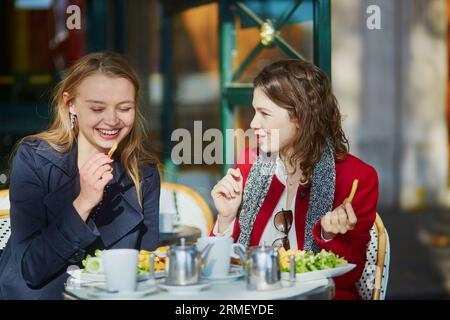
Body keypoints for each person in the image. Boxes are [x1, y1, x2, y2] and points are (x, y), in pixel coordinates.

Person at [211, 59, 378, 300]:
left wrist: (329, 237)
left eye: (264, 114)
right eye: (254, 111)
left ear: (300, 118)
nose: (253, 124)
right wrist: (225, 219)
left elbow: (348, 278)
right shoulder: (249, 162)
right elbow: (225, 267)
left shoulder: (356, 178)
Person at [0, 52, 160, 299]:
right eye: (97, 107)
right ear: (70, 103)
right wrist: (83, 202)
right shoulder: (35, 159)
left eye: (125, 108)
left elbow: (146, 266)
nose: (112, 120)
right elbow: (31, 269)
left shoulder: (143, 173)